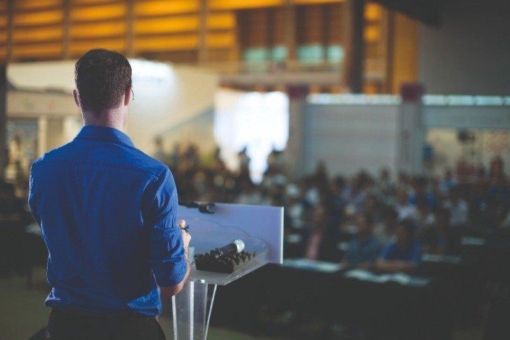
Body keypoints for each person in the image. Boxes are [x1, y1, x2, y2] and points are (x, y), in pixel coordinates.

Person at [28, 49, 191, 340]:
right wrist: (183, 244)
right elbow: (171, 285)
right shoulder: (154, 176)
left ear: (78, 98)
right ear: (129, 95)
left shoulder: (43, 170)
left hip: (66, 327)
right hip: (129, 329)